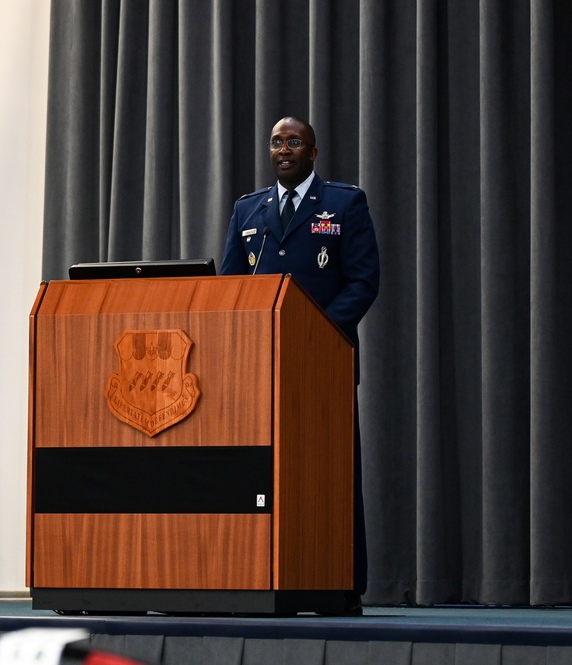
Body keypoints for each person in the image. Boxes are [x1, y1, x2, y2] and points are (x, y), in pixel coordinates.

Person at [221, 116, 379, 615]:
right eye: (276, 142)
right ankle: (261, 575)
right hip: (261, 366)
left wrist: (318, 333)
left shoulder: (343, 203)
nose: (283, 149)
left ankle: (339, 584)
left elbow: (362, 281)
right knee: (263, 474)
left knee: (329, 474)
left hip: (322, 363)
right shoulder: (249, 209)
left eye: (293, 142)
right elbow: (228, 285)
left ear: (312, 152)